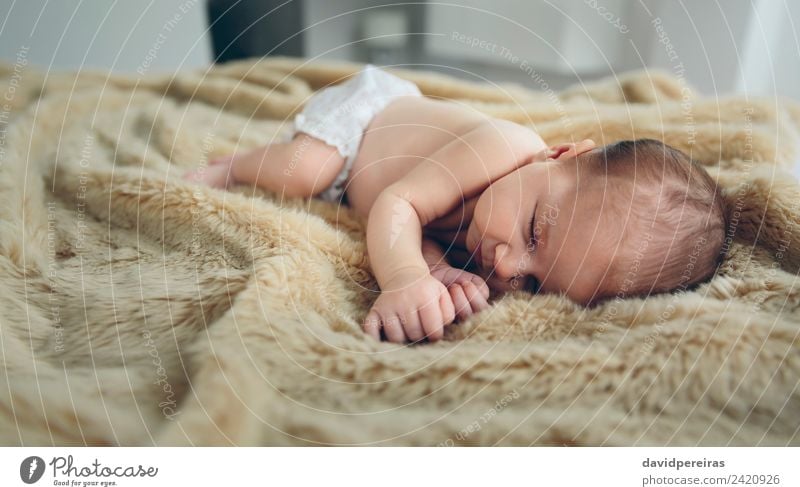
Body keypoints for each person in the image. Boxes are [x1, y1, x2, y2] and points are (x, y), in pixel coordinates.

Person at [185, 65, 727, 344]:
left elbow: (427, 227)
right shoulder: (502, 148)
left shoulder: (503, 227)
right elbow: (398, 204)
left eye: (536, 284)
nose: (509, 266)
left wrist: (439, 271)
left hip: (382, 185)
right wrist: (402, 279)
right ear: (558, 154)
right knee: (306, 172)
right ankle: (232, 165)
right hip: (364, 124)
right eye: (536, 233)